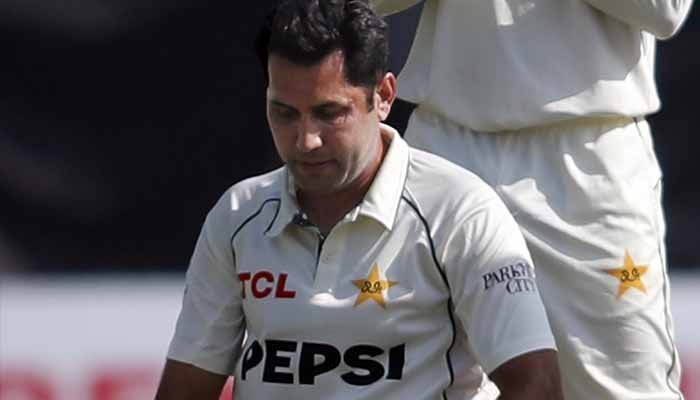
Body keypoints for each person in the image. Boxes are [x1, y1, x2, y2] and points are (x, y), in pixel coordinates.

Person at [154, 1, 563, 399]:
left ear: (383, 96)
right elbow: (185, 390)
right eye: (285, 113)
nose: (306, 140)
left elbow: (538, 386)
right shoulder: (237, 214)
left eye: (329, 113)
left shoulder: (461, 212)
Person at [369, 0, 695, 399]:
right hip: (448, 140)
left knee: (618, 389)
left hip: (585, 157)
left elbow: (664, 10)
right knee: (417, 383)